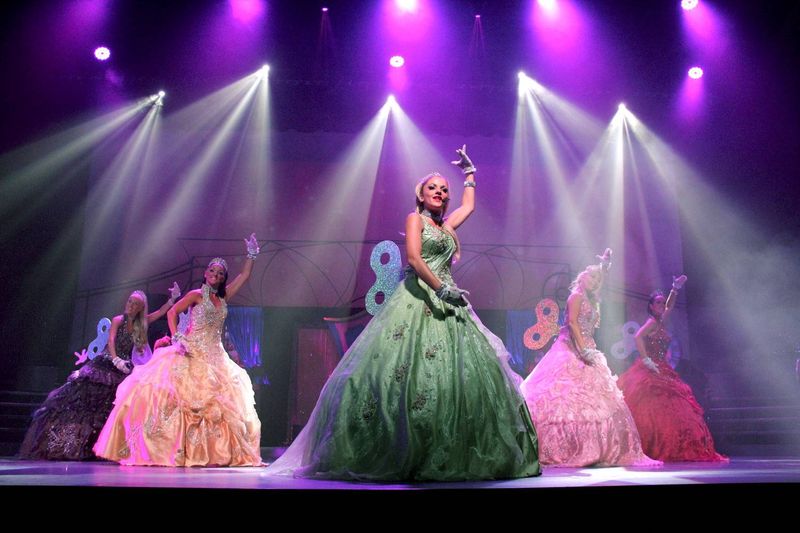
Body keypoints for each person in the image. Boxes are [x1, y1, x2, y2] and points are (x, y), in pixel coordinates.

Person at [265, 146, 540, 481]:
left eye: (444, 189)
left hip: (450, 302)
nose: (440, 192)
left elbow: (469, 205)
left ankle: (453, 447)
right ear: (420, 196)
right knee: (402, 372)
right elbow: (413, 258)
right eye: (433, 188)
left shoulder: (446, 227)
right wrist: (440, 288)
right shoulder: (416, 220)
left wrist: (470, 175)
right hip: (421, 296)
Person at [93, 235, 262, 466]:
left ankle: (212, 453)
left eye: (221, 273)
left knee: (221, 405)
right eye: (213, 271)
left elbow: (245, 276)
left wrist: (251, 254)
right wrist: (178, 336)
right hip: (191, 350)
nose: (216, 275)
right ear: (206, 274)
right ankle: (172, 449)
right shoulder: (195, 295)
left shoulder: (223, 298)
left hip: (216, 356)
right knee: (176, 399)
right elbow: (172, 313)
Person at [520, 250, 660, 467]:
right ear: (582, 276)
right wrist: (583, 350)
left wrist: (604, 269)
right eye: (591, 277)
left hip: (588, 348)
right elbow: (573, 323)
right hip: (570, 349)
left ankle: (597, 449)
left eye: (597, 280)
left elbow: (593, 305)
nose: (595, 282)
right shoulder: (575, 297)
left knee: (596, 401)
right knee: (564, 397)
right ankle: (569, 447)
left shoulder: (592, 301)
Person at [19, 285, 179, 460]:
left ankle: (107, 447)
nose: (130, 305)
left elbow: (161, 312)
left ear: (141, 308)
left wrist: (173, 299)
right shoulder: (118, 320)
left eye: (135, 304)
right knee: (87, 400)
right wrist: (115, 359)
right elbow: (110, 341)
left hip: (125, 366)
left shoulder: (142, 323)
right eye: (129, 301)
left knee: (118, 404)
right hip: (106, 362)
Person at [617, 277, 727, 462]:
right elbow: (637, 336)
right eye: (658, 302)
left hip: (662, 366)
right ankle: (652, 445)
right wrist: (646, 359)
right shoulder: (652, 322)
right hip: (651, 368)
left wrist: (674, 289)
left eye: (662, 302)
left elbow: (669, 306)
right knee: (652, 406)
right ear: (651, 306)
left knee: (675, 406)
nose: (661, 305)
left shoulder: (660, 320)